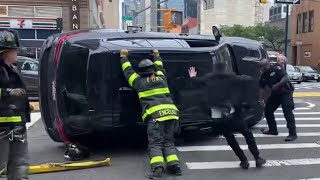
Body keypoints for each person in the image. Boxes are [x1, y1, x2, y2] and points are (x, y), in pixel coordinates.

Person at [187, 59, 266, 169]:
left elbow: (197, 82)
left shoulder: (209, 78)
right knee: (247, 134)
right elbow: (247, 80)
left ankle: (243, 160)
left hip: (218, 117)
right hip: (232, 113)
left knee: (230, 138)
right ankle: (257, 158)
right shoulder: (231, 77)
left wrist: (192, 76)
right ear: (224, 68)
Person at [119, 49, 182, 179]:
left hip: (156, 116)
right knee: (168, 142)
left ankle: (157, 169)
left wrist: (123, 57)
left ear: (141, 71)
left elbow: (128, 71)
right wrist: (157, 56)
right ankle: (175, 167)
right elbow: (160, 66)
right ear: (152, 69)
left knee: (155, 143)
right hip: (171, 114)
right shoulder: (161, 77)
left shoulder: (138, 82)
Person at [0, 29, 31, 180]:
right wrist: (8, 93)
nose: (17, 52)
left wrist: (24, 106)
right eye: (14, 49)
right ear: (5, 52)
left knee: (20, 165)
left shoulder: (13, 69)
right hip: (2, 129)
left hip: (17, 125)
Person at [259, 59, 297, 141]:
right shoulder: (264, 75)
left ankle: (292, 134)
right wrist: (262, 99)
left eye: (262, 66)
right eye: (260, 67)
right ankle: (273, 130)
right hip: (275, 94)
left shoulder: (277, 68)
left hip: (285, 92)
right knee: (268, 110)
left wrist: (278, 85)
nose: (261, 68)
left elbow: (286, 78)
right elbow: (262, 88)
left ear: (267, 65)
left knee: (287, 112)